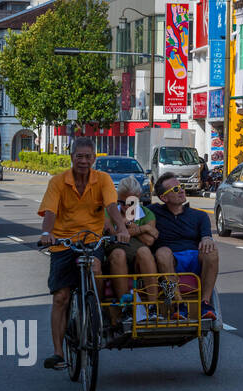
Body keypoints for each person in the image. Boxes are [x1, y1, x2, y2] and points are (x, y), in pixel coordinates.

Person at [38, 137, 130, 369]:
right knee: (61, 297)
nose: (83, 161)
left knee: (96, 267)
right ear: (71, 157)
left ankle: (94, 310)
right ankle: (59, 353)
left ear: (94, 159)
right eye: (79, 156)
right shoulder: (58, 182)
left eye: (88, 157)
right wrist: (47, 233)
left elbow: (111, 206)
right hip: (63, 243)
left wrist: (121, 228)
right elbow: (50, 210)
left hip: (92, 241)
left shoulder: (103, 180)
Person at [149, 174, 218, 320]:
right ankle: (180, 304)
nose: (181, 190)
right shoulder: (154, 212)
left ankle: (205, 304)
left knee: (211, 251)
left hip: (194, 257)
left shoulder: (199, 216)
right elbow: (131, 209)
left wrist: (207, 239)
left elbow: (206, 236)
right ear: (164, 198)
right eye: (175, 189)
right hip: (170, 259)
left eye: (182, 187)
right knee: (162, 252)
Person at [103, 177, 159, 325]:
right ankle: (126, 309)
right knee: (119, 254)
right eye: (121, 203)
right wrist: (143, 229)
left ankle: (152, 307)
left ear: (138, 198)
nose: (125, 207)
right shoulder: (110, 212)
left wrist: (139, 228)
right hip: (114, 255)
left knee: (145, 252)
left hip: (138, 257)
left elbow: (149, 241)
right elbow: (113, 235)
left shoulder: (147, 214)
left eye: (130, 203)